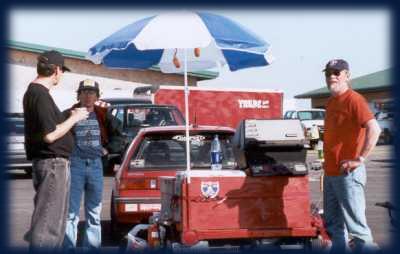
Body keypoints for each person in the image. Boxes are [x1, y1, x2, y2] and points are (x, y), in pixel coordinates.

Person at [23, 50, 89, 250]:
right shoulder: (39, 94)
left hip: (52, 164)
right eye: (62, 71)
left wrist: (68, 114)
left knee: (53, 223)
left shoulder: (37, 94)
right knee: (48, 225)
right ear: (57, 70)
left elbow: (49, 125)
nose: (61, 76)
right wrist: (74, 118)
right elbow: (50, 135)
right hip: (52, 164)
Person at [322, 59, 381, 252]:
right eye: (328, 72)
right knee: (333, 226)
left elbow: (375, 129)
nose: (332, 76)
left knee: (357, 229)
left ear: (347, 75)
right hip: (331, 173)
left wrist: (360, 159)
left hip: (348, 174)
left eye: (337, 72)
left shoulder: (354, 99)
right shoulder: (330, 102)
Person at [63, 79, 125, 249]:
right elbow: (58, 134)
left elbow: (119, 136)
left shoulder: (103, 114)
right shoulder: (69, 114)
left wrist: (107, 150)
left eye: (91, 92)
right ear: (79, 95)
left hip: (96, 166)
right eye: (84, 92)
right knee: (71, 213)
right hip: (74, 165)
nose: (88, 95)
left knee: (94, 213)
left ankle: (91, 248)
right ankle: (68, 248)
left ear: (97, 96)